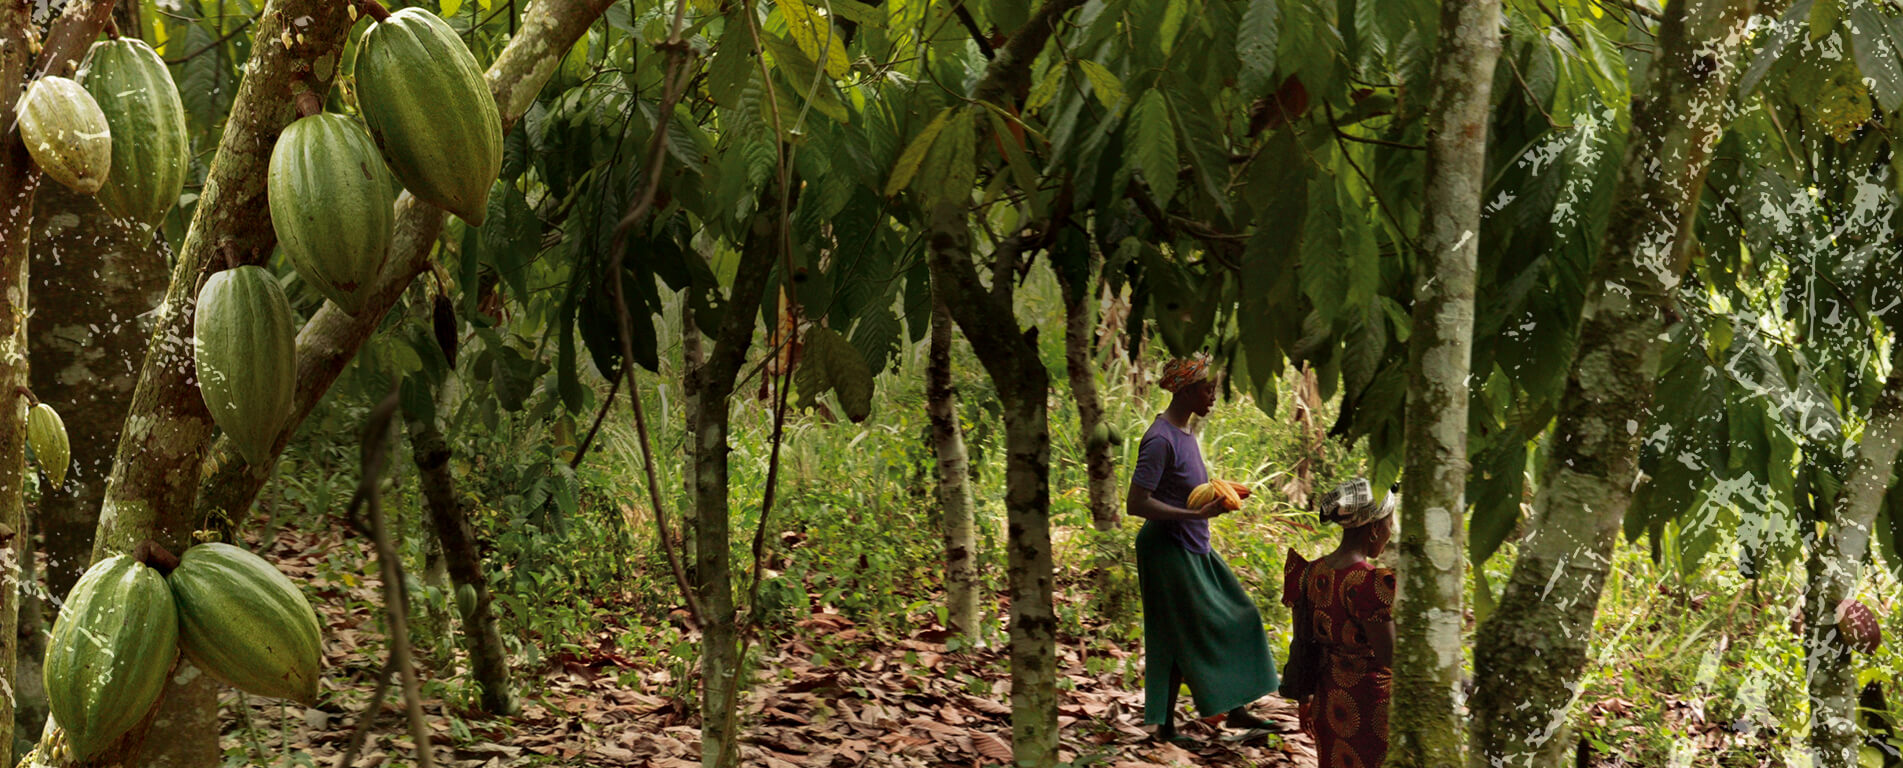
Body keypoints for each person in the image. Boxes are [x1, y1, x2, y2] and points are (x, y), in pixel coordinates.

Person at [1127, 355, 1281, 742]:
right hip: (1167, 547)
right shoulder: (1160, 439)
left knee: (1241, 614)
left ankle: (1237, 710)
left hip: (1193, 543)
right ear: (1185, 389)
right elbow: (1136, 503)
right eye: (1207, 388)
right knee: (1174, 636)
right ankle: (1163, 728)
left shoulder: (1186, 433)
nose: (1213, 395)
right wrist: (1193, 514)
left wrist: (1213, 497)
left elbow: (1183, 490)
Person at [1282, 478, 1396, 768]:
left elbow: (1302, 641)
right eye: (1389, 523)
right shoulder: (1371, 583)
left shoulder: (1310, 573)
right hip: (1370, 704)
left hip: (1329, 699)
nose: (1390, 531)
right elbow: (1390, 657)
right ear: (1373, 528)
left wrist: (1305, 698)